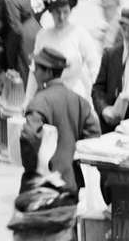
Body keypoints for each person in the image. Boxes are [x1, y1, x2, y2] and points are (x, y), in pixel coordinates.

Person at [19, 47, 99, 196]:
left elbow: (29, 136)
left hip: (44, 185)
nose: (34, 72)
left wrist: (33, 169)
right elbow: (94, 137)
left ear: (48, 72)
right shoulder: (80, 102)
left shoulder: (40, 101)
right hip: (72, 183)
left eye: (37, 68)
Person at [29, 0, 100, 102]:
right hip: (49, 97)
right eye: (57, 12)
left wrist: (97, 98)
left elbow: (94, 67)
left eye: (65, 12)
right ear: (51, 11)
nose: (61, 17)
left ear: (71, 10)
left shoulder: (80, 33)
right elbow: (34, 71)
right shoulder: (43, 36)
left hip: (75, 96)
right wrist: (28, 100)